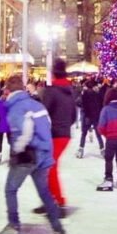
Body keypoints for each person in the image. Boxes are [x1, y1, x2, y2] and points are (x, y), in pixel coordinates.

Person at [0, 75, 67, 234]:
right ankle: (57, 227)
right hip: (44, 154)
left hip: (28, 155)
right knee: (44, 191)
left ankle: (13, 226)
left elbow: (24, 132)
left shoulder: (17, 107)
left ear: (7, 90)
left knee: (10, 190)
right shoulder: (36, 104)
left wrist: (16, 151)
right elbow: (47, 124)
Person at [39, 58, 77, 215]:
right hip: (64, 134)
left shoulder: (51, 91)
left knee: (49, 167)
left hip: (53, 133)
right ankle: (50, 200)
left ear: (53, 74)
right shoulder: (70, 91)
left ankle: (58, 202)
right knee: (47, 166)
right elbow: (74, 115)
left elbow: (43, 113)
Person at [77, 79, 104, 158]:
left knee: (84, 134)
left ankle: (80, 150)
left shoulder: (84, 94)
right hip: (96, 117)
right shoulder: (97, 94)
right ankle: (102, 150)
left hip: (87, 117)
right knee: (98, 134)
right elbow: (101, 105)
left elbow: (81, 104)